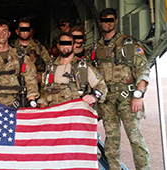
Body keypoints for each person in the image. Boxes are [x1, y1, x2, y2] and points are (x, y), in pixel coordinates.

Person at [95, 8, 151, 169]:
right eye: (104, 20)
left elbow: (143, 69)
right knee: (112, 141)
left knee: (135, 139)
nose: (107, 23)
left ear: (116, 21)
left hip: (128, 98)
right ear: (100, 22)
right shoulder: (96, 48)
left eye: (110, 20)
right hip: (107, 101)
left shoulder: (128, 43)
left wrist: (138, 95)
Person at [0, 19, 39, 108]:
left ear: (9, 34)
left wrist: (31, 100)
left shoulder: (21, 57)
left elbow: (30, 79)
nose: (2, 34)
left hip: (16, 103)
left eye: (4, 31)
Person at [38, 32, 107, 107]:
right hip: (54, 112)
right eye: (62, 44)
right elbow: (43, 93)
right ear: (58, 46)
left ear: (74, 46)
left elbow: (101, 85)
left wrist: (93, 96)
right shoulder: (50, 67)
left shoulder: (82, 67)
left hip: (75, 112)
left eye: (68, 43)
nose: (65, 47)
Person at [11, 17, 52, 84]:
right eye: (22, 30)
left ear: (30, 31)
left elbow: (50, 66)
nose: (24, 32)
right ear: (17, 32)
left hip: (36, 85)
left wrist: (42, 77)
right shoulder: (11, 48)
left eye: (26, 30)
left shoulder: (39, 48)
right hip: (16, 85)